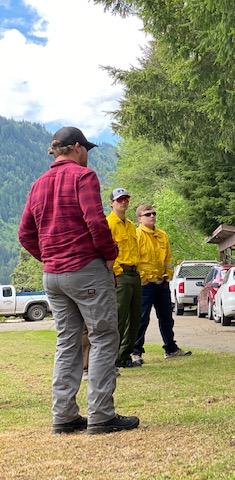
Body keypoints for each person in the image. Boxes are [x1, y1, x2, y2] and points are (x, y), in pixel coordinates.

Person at [18, 126, 139, 435]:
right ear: (75, 147)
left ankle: (64, 416)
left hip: (53, 277)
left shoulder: (38, 184)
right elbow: (96, 223)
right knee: (102, 336)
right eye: (86, 149)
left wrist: (48, 258)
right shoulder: (83, 177)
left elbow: (25, 234)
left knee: (67, 341)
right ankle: (101, 415)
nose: (88, 155)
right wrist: (110, 255)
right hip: (86, 269)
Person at [132, 204, 192, 360]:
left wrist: (168, 275)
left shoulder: (162, 235)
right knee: (142, 319)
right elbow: (135, 259)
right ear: (139, 218)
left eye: (153, 213)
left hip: (162, 283)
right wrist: (143, 278)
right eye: (147, 214)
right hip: (145, 284)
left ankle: (170, 349)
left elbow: (168, 258)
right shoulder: (136, 235)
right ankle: (135, 351)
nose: (152, 216)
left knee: (166, 318)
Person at [107, 188, 143, 368]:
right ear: (112, 203)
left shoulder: (130, 225)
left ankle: (125, 355)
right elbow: (105, 249)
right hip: (120, 275)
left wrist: (140, 271)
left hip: (135, 273)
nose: (124, 202)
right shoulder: (109, 223)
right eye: (120, 199)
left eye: (126, 199)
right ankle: (111, 358)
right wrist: (117, 270)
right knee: (119, 317)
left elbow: (136, 250)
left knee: (136, 317)